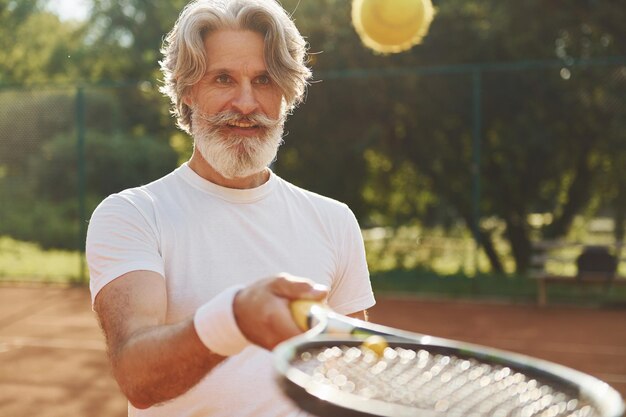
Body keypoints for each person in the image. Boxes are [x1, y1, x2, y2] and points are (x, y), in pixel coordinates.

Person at [85, 1, 376, 416]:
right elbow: (138, 379)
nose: (246, 102)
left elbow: (355, 375)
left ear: (286, 93)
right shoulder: (133, 214)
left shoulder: (334, 220)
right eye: (223, 78)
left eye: (264, 80)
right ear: (187, 90)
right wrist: (235, 318)